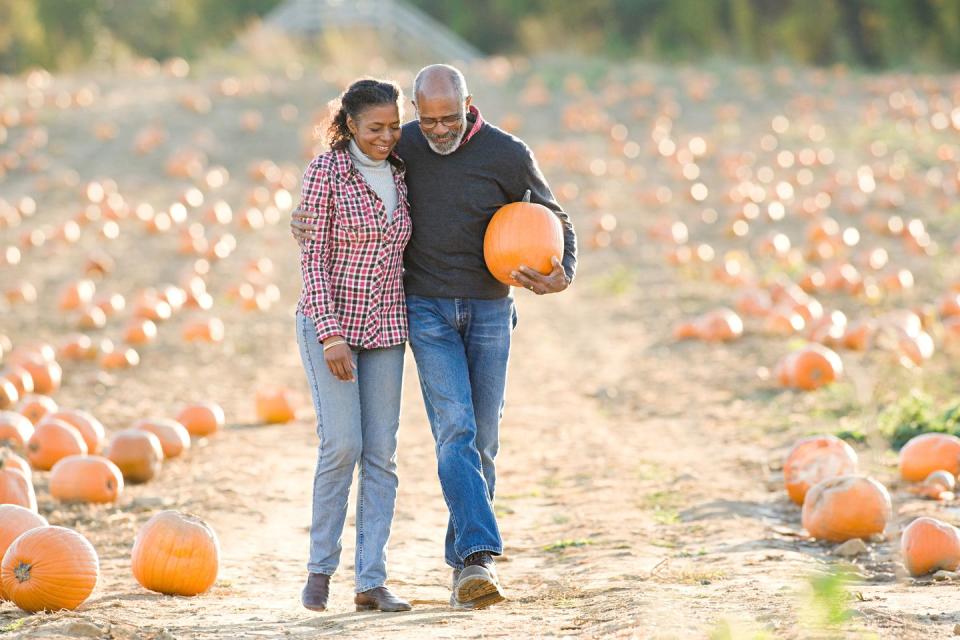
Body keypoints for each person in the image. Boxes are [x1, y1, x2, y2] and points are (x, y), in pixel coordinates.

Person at [293, 64, 577, 610]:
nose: (440, 130)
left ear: (470, 105)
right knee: (454, 429)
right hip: (423, 310)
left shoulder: (507, 152)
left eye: (451, 118)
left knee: (484, 440)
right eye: (429, 120)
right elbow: (337, 193)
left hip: (491, 308)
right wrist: (302, 221)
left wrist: (563, 268)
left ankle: (462, 567)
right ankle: (477, 556)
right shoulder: (404, 148)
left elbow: (554, 213)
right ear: (416, 115)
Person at [294, 78, 413, 613]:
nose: (386, 137)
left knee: (382, 454)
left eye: (393, 126)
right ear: (350, 125)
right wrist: (331, 333)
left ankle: (371, 581)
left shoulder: (403, 172)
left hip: (387, 327)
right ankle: (320, 570)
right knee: (342, 444)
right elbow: (312, 258)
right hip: (331, 325)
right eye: (374, 128)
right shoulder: (327, 172)